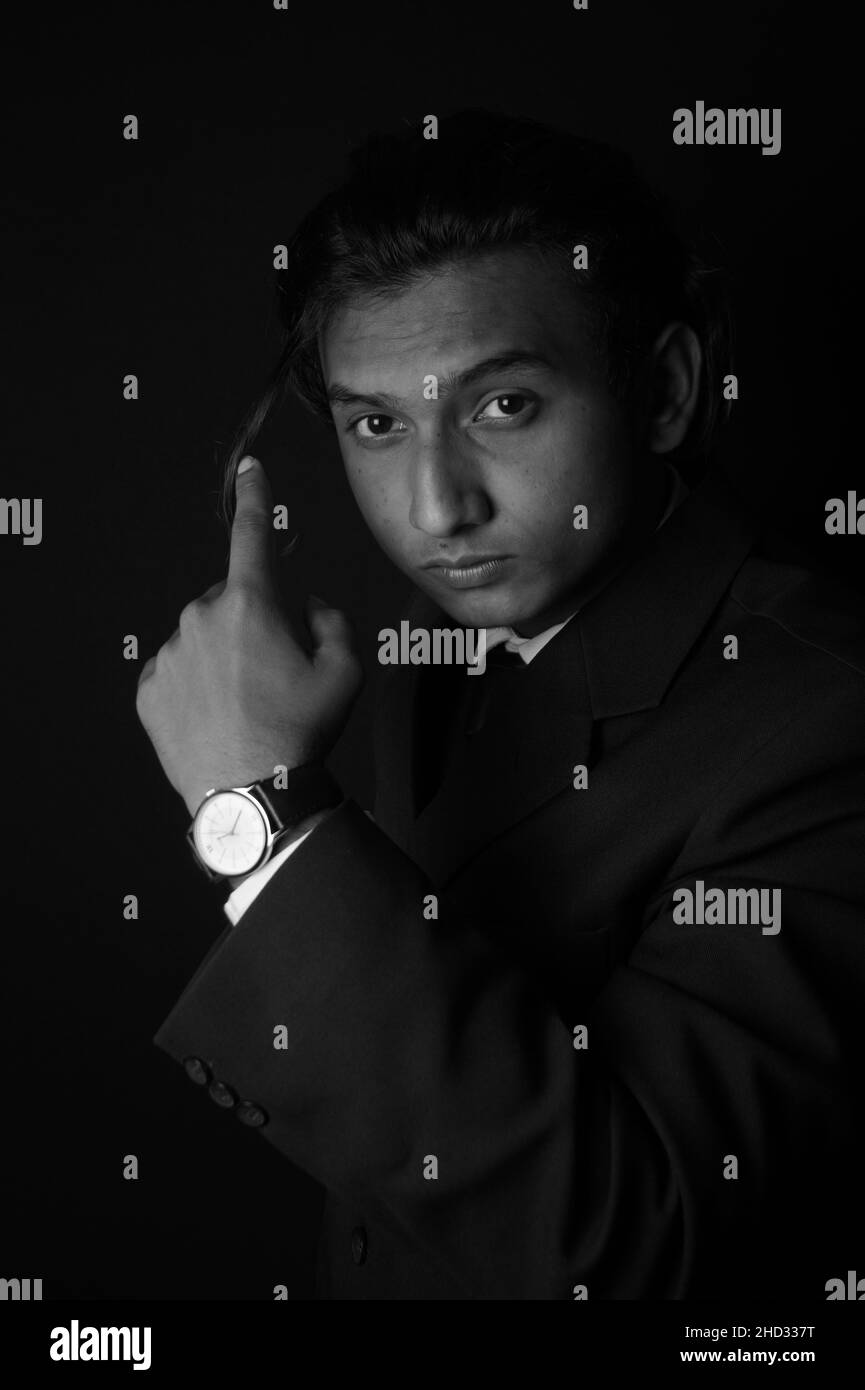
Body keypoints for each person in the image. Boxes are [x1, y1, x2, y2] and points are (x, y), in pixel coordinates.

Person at [136, 110, 865, 1299]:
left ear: (667, 390)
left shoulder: (827, 721)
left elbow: (634, 1243)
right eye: (378, 422)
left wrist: (258, 813)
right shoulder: (442, 655)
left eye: (503, 406)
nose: (435, 509)